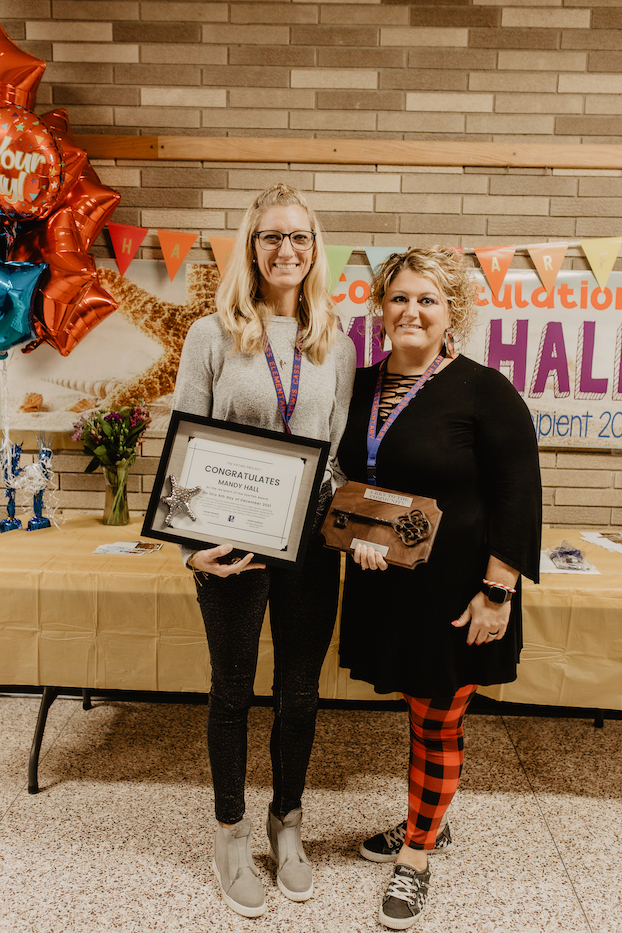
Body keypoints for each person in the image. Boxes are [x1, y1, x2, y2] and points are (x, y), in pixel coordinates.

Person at [337, 246, 541, 930]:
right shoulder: (361, 385)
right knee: (416, 704)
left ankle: (418, 853)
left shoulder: (485, 389)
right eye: (399, 298)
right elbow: (348, 477)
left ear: (453, 308)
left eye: (427, 298)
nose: (412, 311)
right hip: (387, 586)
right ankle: (433, 816)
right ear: (380, 308)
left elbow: (518, 494)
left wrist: (498, 592)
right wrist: (357, 530)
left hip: (460, 592)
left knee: (437, 718)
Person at [172, 184, 356, 918]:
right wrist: (191, 549)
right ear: (251, 248)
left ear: (315, 251)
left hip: (309, 539)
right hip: (231, 540)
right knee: (232, 688)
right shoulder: (210, 335)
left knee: (301, 689)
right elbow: (183, 446)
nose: (287, 250)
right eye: (272, 236)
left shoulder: (332, 342)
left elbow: (336, 455)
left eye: (300, 238)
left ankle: (289, 821)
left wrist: (359, 528)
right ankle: (228, 832)